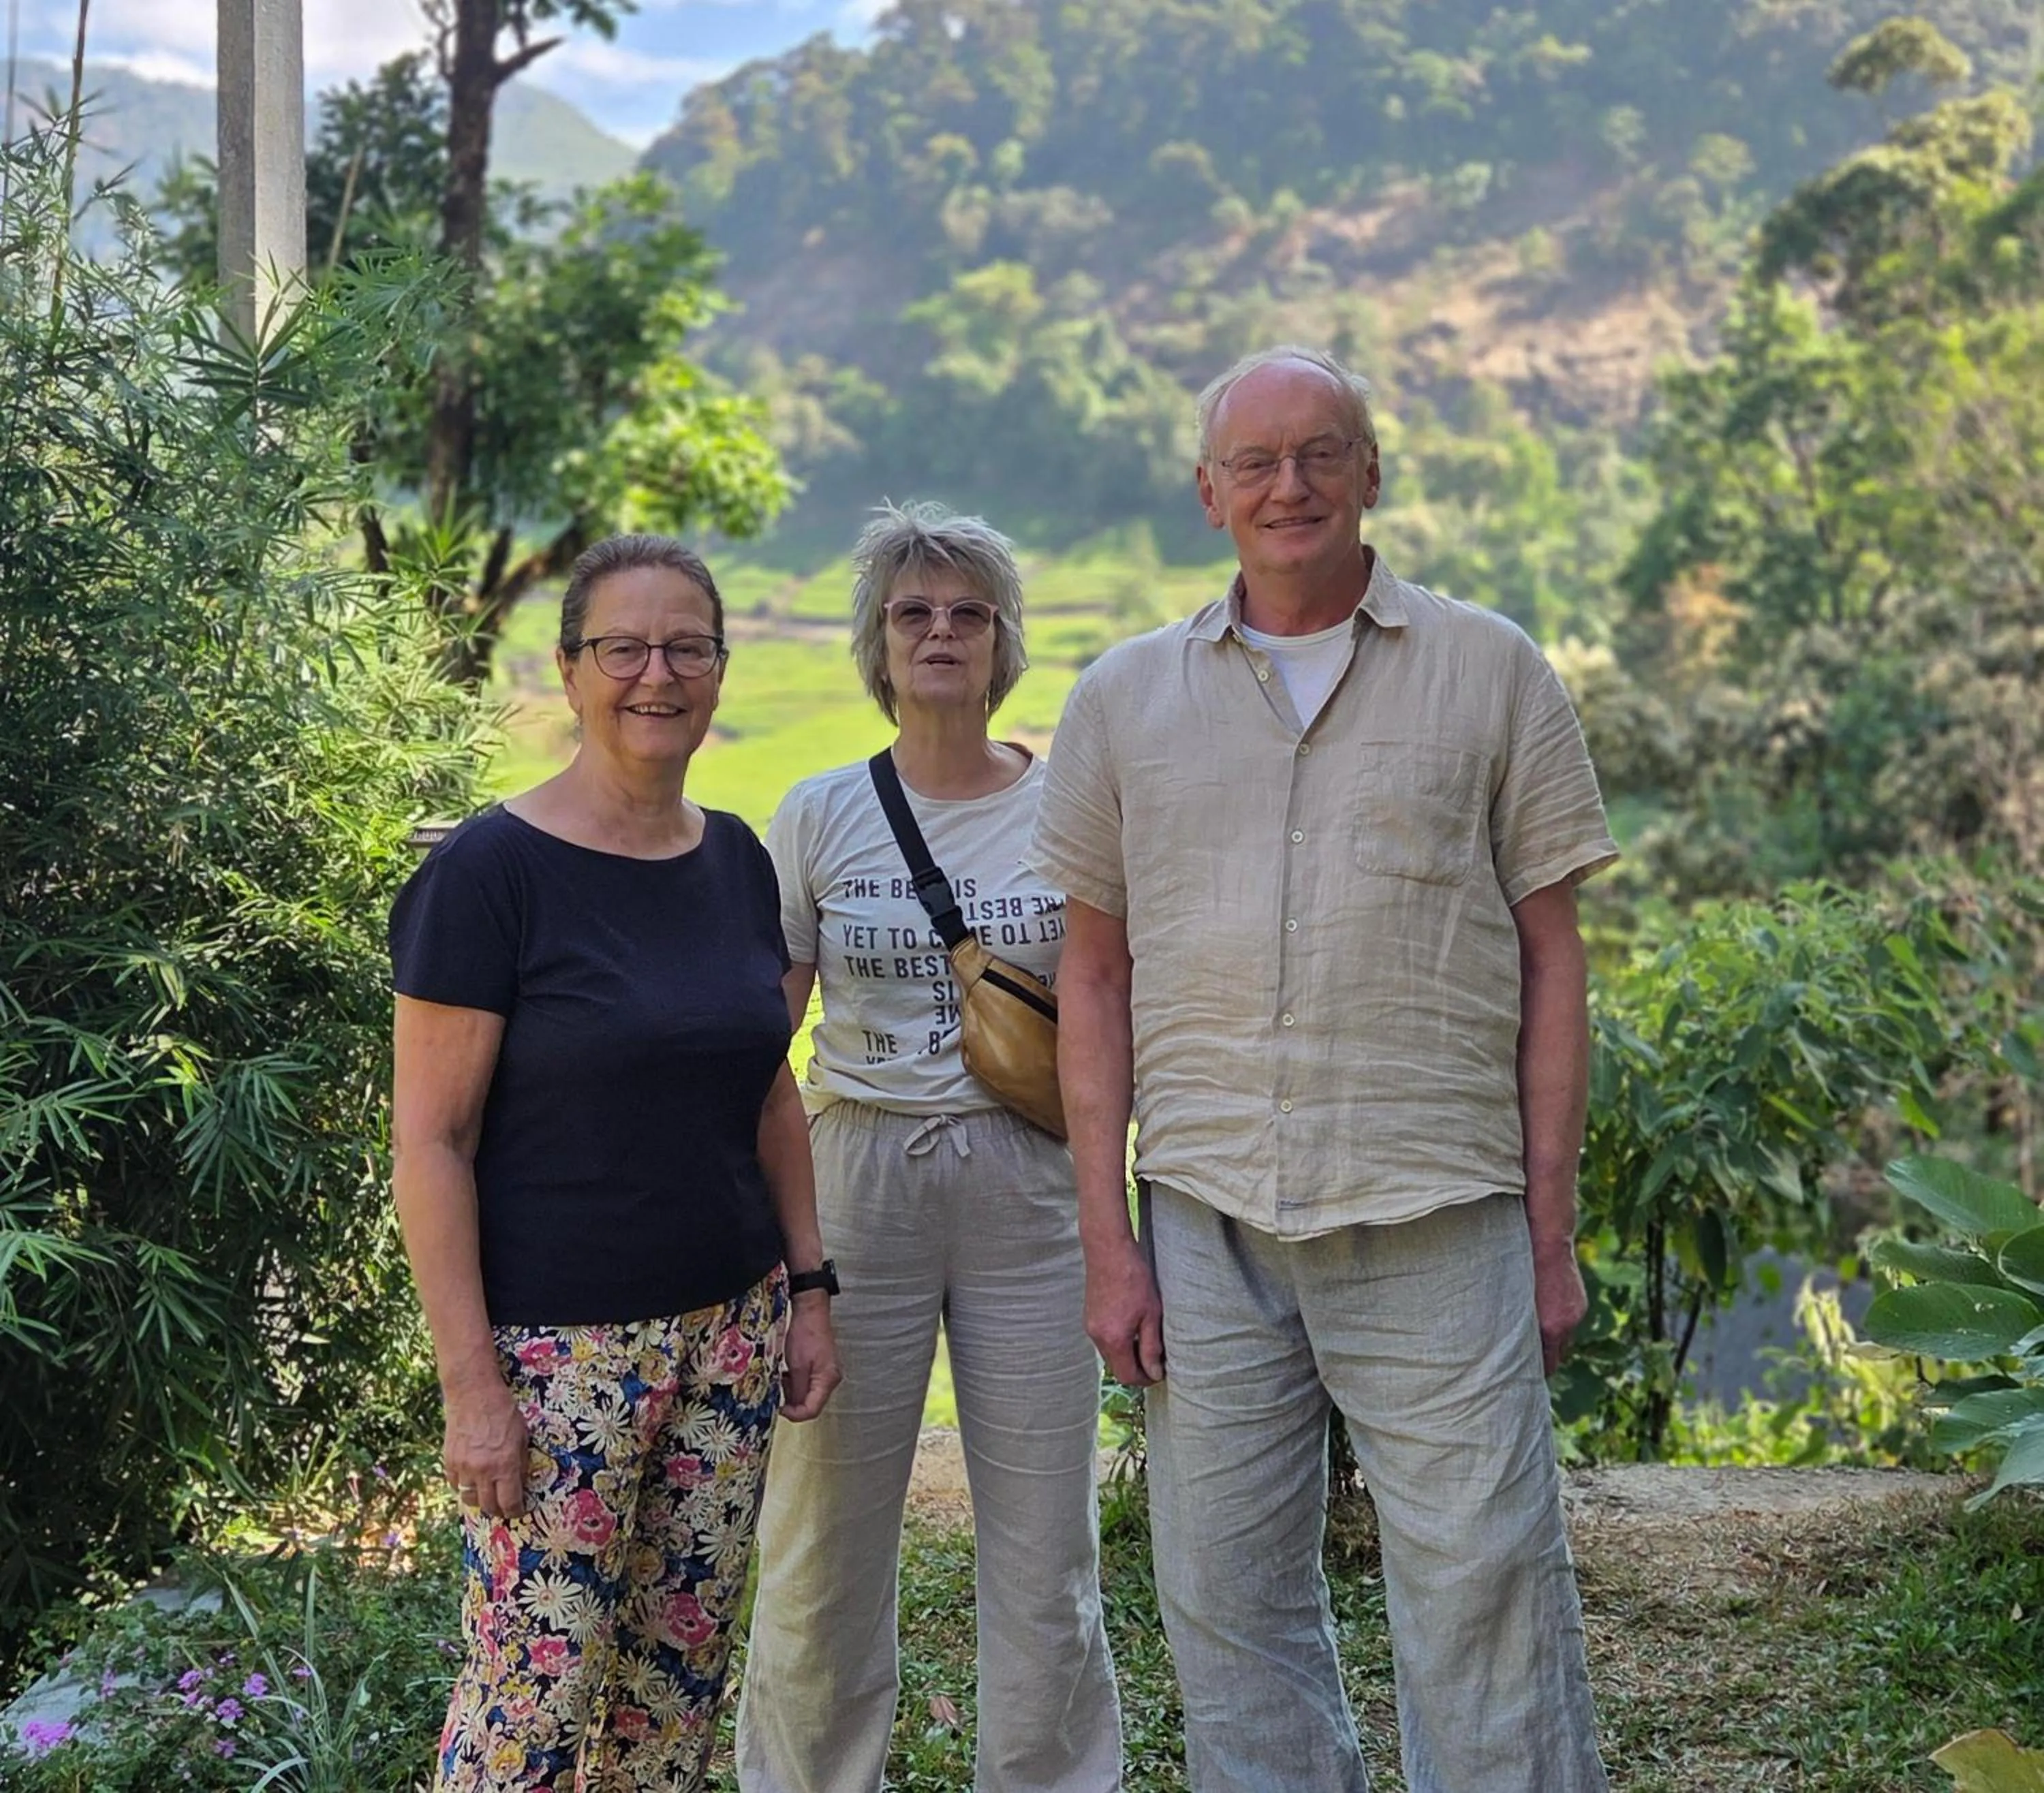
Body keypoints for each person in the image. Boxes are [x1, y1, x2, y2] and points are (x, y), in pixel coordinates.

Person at [1028, 345, 1615, 1793]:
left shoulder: (1492, 670)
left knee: (1486, 1596)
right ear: (1208, 493)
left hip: (1441, 1217)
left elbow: (1556, 964)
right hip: (1206, 1223)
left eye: (1320, 453)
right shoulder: (1122, 700)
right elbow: (1090, 982)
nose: (1289, 484)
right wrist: (1111, 1242)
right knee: (1228, 1608)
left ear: (1371, 472)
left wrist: (1551, 1236)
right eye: (1257, 461)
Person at [389, 534, 841, 1793]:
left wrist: (809, 1289)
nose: (658, 674)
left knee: (676, 1691)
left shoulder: (735, 858)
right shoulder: (490, 873)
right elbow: (431, 1142)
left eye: (686, 646)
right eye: (624, 648)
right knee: (530, 1702)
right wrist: (471, 1387)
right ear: (572, 668)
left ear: (719, 667)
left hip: (731, 1333)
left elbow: (766, 1086)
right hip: (558, 1361)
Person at [737, 502, 1121, 1793]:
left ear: (1005, 642)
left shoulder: (1077, 806)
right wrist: (778, 1253)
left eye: (969, 612)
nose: (943, 632)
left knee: (1046, 1542)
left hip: (1033, 1185)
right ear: (878, 643)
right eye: (916, 613)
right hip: (861, 1179)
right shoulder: (821, 813)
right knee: (822, 1537)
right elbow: (765, 1037)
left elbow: (1123, 1009)